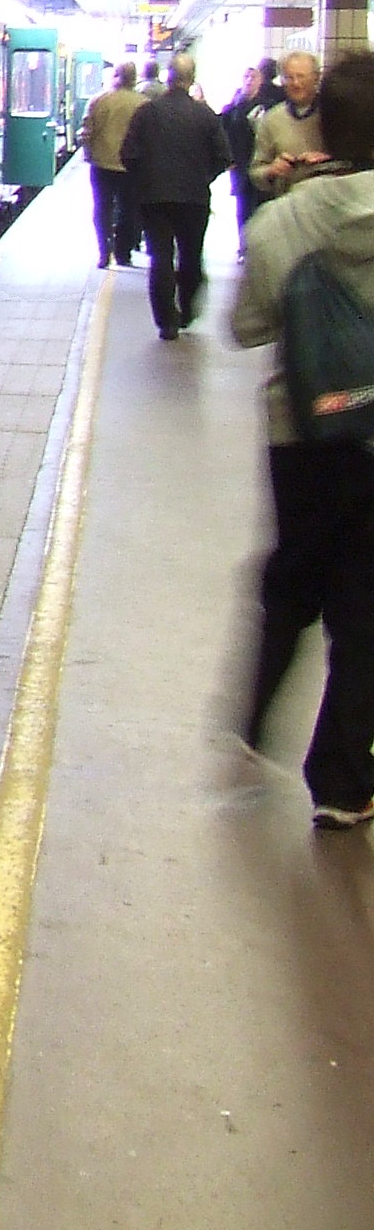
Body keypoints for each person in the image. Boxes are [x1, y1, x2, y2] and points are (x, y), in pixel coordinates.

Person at [231, 49, 374, 827]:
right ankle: (344, 784)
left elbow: (248, 327)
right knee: (366, 612)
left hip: (302, 435)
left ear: (320, 126)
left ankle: (255, 713)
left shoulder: (282, 219)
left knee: (294, 574)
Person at [121, 52, 230, 339]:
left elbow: (128, 154)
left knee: (160, 257)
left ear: (168, 78)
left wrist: (145, 178)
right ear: (192, 79)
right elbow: (223, 156)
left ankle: (166, 322)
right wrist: (204, 176)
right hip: (194, 198)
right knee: (191, 256)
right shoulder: (205, 115)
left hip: (154, 198)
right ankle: (187, 309)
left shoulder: (146, 113)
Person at [83, 61, 148, 267]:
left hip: (102, 163)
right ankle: (123, 253)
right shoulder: (144, 104)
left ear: (116, 76)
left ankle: (104, 251)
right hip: (132, 166)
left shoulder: (99, 101)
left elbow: (87, 132)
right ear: (134, 78)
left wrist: (88, 153)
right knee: (128, 210)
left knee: (102, 208)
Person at [250, 50, 326, 202]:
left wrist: (325, 161)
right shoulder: (271, 119)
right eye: (289, 77)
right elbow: (256, 171)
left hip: (327, 201)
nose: (296, 83)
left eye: (301, 76)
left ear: (316, 78)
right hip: (288, 203)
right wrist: (271, 170)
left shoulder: (333, 113)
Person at [221, 61, 276, 238]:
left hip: (261, 161)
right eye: (246, 77)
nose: (249, 81)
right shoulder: (233, 109)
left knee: (261, 206)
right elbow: (223, 132)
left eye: (253, 77)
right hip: (240, 164)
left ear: (260, 81)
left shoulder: (268, 106)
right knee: (242, 207)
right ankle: (244, 241)